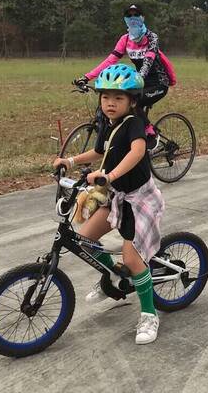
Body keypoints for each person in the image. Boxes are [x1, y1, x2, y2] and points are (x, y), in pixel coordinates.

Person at [53, 64, 165, 345]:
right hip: (116, 195)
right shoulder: (108, 125)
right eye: (105, 97)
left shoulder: (134, 124)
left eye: (118, 98)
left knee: (132, 259)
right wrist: (71, 161)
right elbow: (99, 151)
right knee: (84, 239)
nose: (110, 103)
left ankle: (150, 314)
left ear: (133, 101)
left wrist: (110, 175)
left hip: (139, 199)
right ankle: (114, 277)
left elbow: (138, 151)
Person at [77, 5, 177, 146]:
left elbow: (148, 60)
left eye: (136, 15)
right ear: (125, 20)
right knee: (122, 104)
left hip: (158, 83)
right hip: (139, 82)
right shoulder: (125, 39)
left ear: (142, 18)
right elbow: (110, 60)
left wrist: (139, 77)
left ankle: (150, 134)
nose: (132, 19)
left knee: (132, 103)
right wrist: (87, 77)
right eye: (129, 16)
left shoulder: (152, 37)